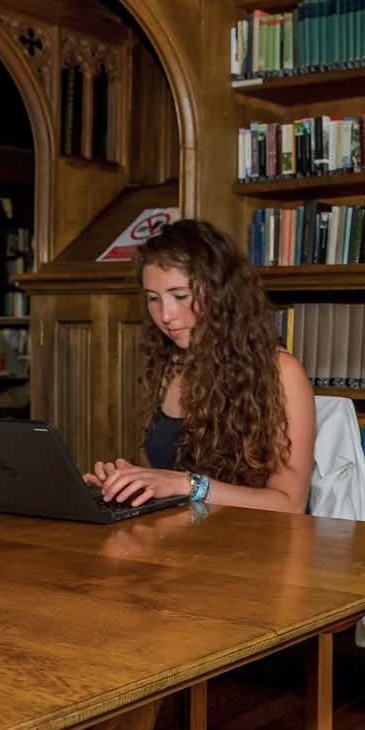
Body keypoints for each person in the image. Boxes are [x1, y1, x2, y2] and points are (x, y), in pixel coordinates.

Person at [85, 219, 315, 513]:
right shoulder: (167, 364)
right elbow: (163, 474)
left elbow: (290, 503)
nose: (165, 315)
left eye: (180, 296)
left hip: (250, 537)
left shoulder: (282, 372)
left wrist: (189, 485)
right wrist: (130, 483)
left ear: (221, 293)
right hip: (179, 534)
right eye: (153, 299)